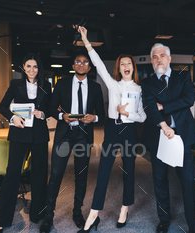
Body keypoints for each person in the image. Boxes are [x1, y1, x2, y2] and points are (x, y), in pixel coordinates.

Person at [77, 26, 146, 233]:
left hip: (129, 130)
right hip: (112, 129)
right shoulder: (113, 84)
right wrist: (86, 40)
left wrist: (127, 114)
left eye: (129, 63)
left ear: (133, 67)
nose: (126, 66)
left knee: (129, 170)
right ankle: (94, 213)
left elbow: (143, 116)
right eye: (122, 63)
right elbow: (97, 63)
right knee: (104, 171)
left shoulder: (139, 90)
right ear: (119, 67)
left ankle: (125, 208)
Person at [39, 53, 105, 233]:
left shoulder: (96, 87)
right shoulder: (62, 84)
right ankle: (48, 216)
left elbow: (102, 113)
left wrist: (94, 117)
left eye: (85, 62)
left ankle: (77, 212)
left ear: (89, 67)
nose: (82, 64)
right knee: (56, 176)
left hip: (84, 136)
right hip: (64, 135)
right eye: (78, 62)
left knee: (81, 177)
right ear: (73, 66)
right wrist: (62, 116)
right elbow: (51, 108)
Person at [141, 43, 195, 233]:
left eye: (162, 55)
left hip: (183, 137)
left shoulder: (183, 76)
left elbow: (188, 100)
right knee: (160, 181)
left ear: (169, 58)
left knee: (187, 181)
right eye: (155, 57)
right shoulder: (147, 83)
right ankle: (164, 220)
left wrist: (164, 106)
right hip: (159, 137)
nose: (158, 59)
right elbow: (150, 107)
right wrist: (164, 125)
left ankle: (193, 225)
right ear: (151, 61)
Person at [0, 53, 51, 233]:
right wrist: (13, 117)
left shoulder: (46, 85)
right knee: (12, 174)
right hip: (19, 133)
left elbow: (49, 108)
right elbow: (2, 106)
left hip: (40, 134)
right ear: (23, 68)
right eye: (28, 66)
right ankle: (1, 218)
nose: (32, 70)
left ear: (38, 68)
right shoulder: (15, 85)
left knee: (40, 175)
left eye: (35, 67)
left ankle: (37, 213)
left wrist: (43, 114)